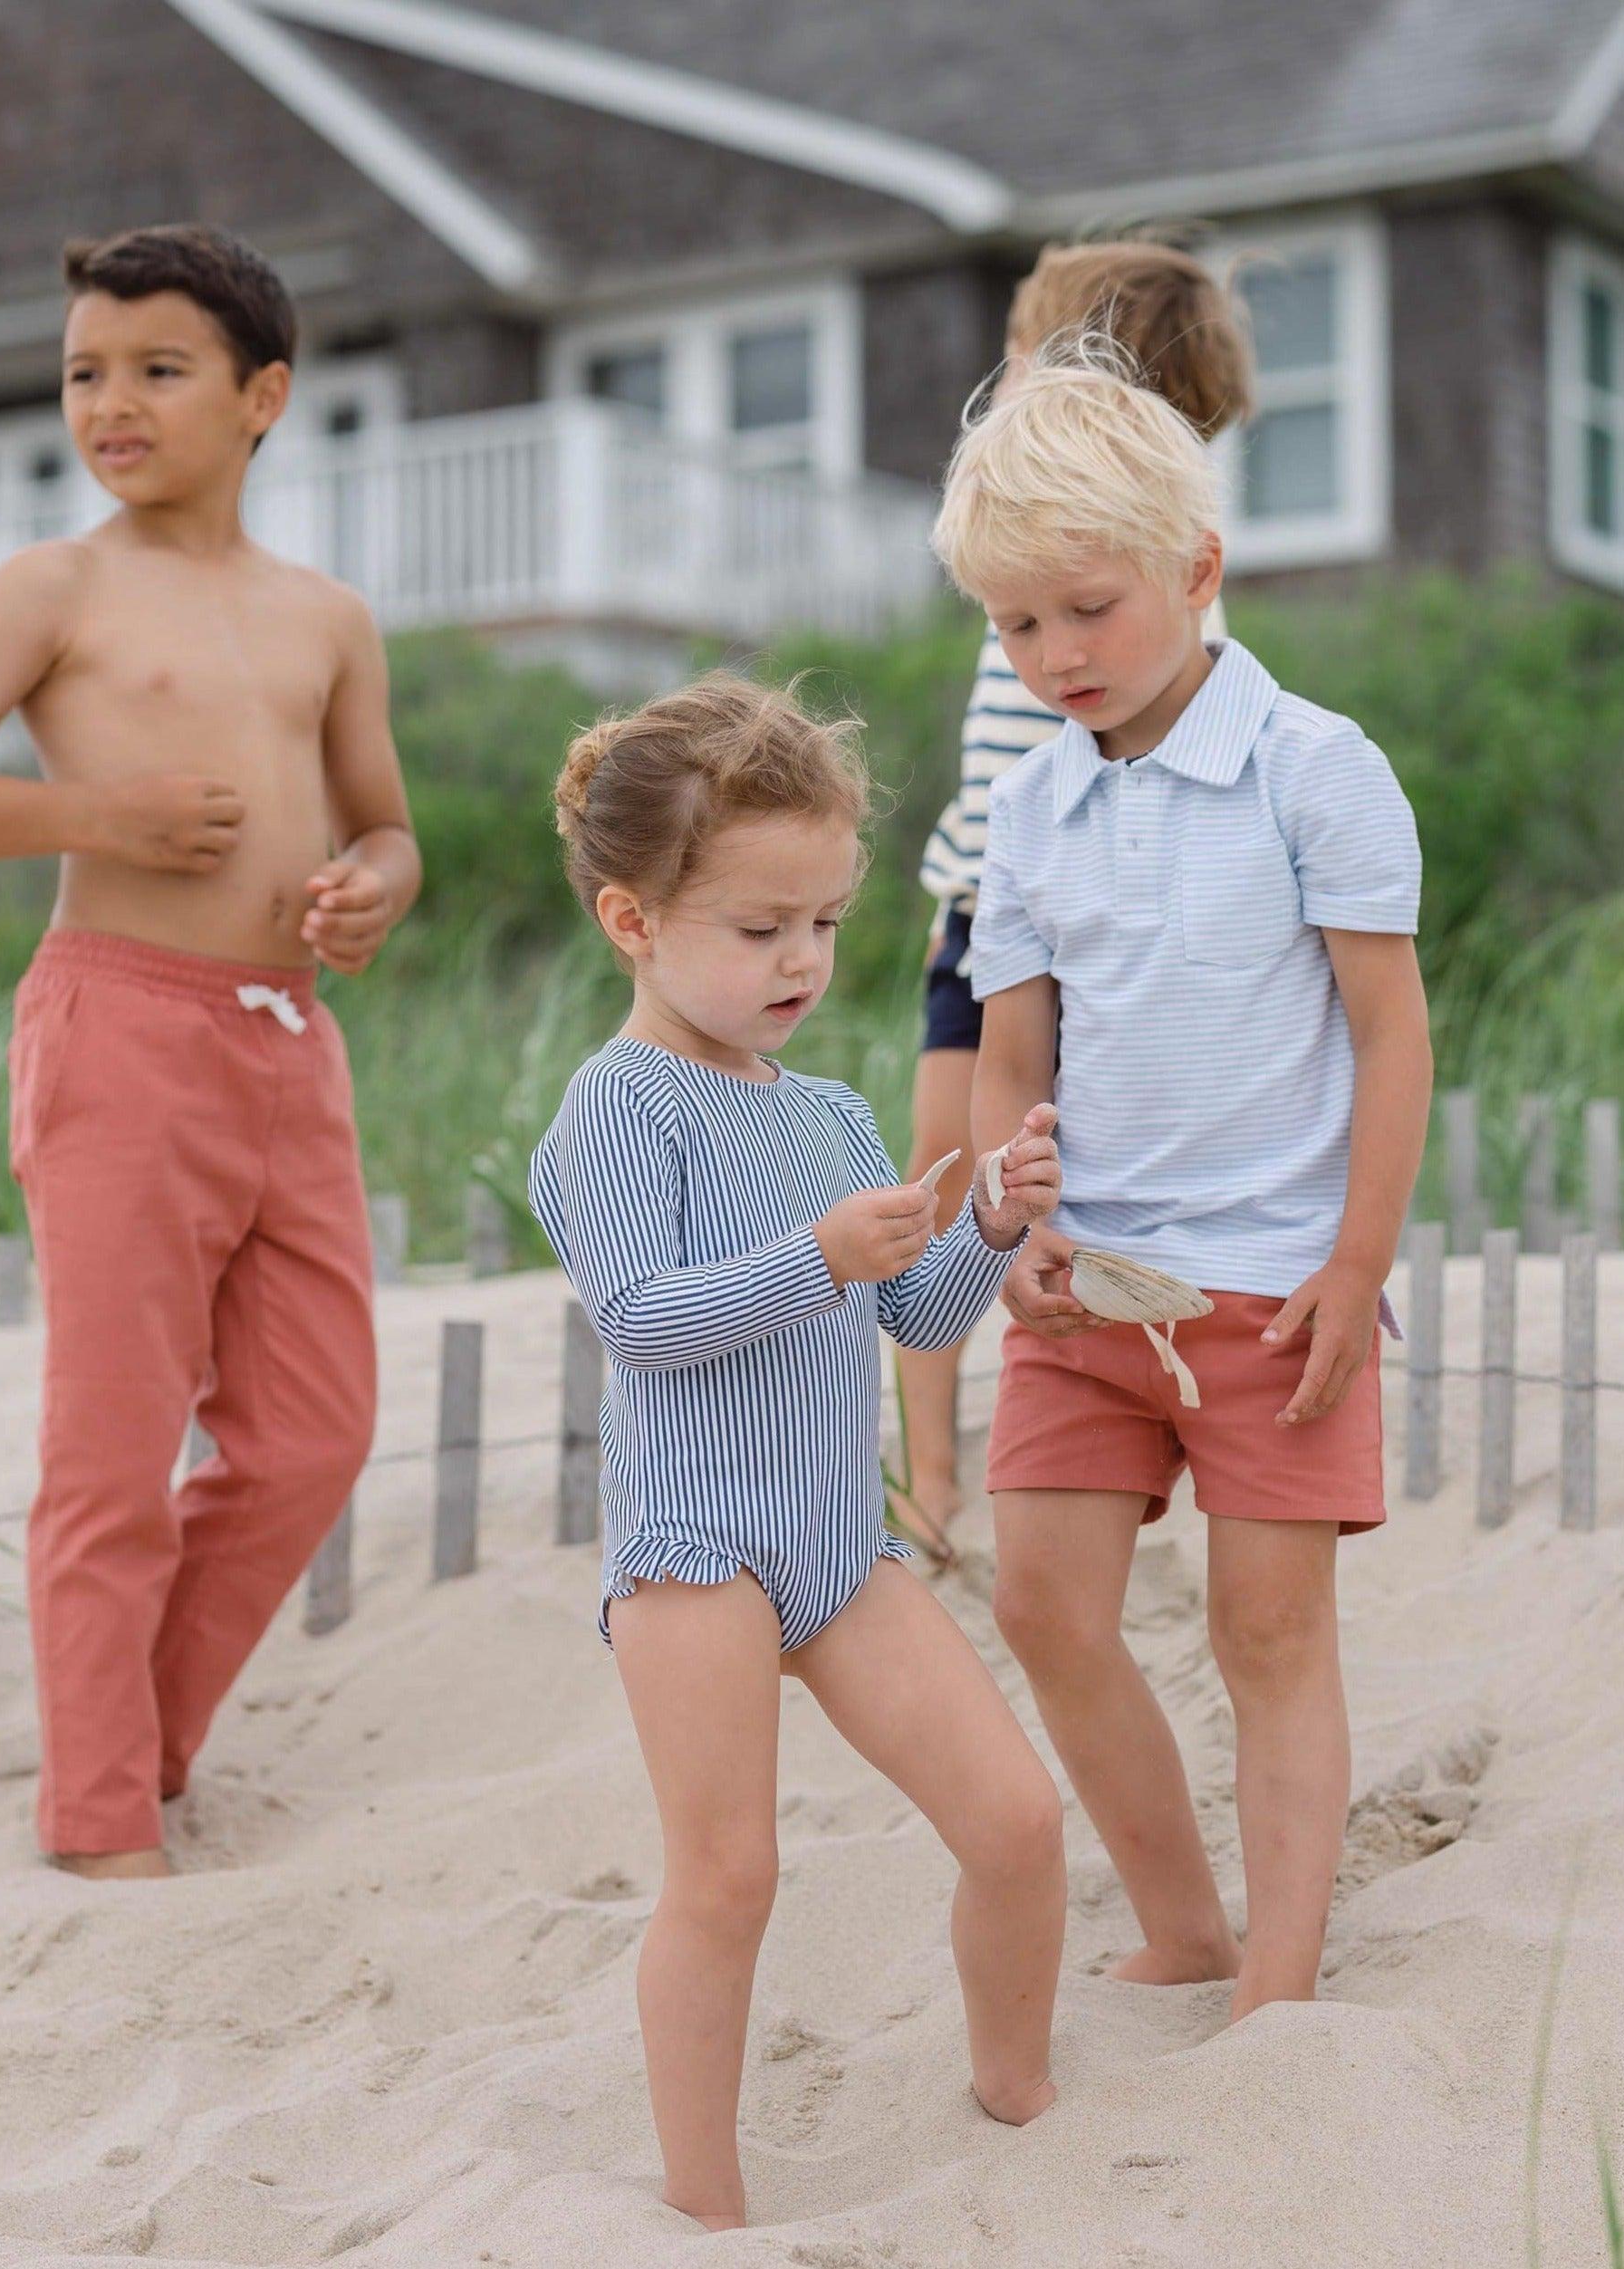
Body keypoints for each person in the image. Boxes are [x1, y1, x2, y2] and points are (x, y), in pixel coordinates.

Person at [0, 223, 420, 1878]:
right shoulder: (54, 587)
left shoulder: (327, 617)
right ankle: (103, 1822)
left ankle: (140, 1745)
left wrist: (368, 894)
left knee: (313, 1432)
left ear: (262, 398)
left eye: (157, 370)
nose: (112, 401)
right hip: (118, 1030)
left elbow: (387, 826)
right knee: (110, 1450)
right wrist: (99, 812)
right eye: (86, 371)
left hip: (288, 1047)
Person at [932, 341, 1432, 2020]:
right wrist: (1016, 1214)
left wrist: (1355, 1269)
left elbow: (1390, 1034)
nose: (1052, 654)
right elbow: (1012, 1052)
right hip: (1087, 1286)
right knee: (1042, 1603)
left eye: (1086, 608)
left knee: (1266, 1633)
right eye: (1014, 626)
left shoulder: (1316, 765)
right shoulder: (1030, 802)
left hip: (1278, 1285)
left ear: (1195, 571)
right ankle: (1185, 1919)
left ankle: (1275, 1988)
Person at [526, 675, 1065, 2230]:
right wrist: (817, 1256)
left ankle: (1014, 2087)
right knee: (729, 1876)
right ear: (633, 920)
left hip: (837, 1549)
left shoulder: (829, 1111)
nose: (802, 962)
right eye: (758, 928)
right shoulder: (619, 1106)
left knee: (1017, 1823)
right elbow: (640, 1317)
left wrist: (988, 1219)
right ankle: (701, 2198)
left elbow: (914, 1311)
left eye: (823, 923)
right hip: (696, 1551)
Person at [898, 238, 1253, 1560]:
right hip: (976, 922)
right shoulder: (1037, 587)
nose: (1005, 381)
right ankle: (930, 1471)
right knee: (948, 1185)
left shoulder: (1146, 606)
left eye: (1025, 356)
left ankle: (1114, 1418)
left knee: (1053, 1180)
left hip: (1087, 943)